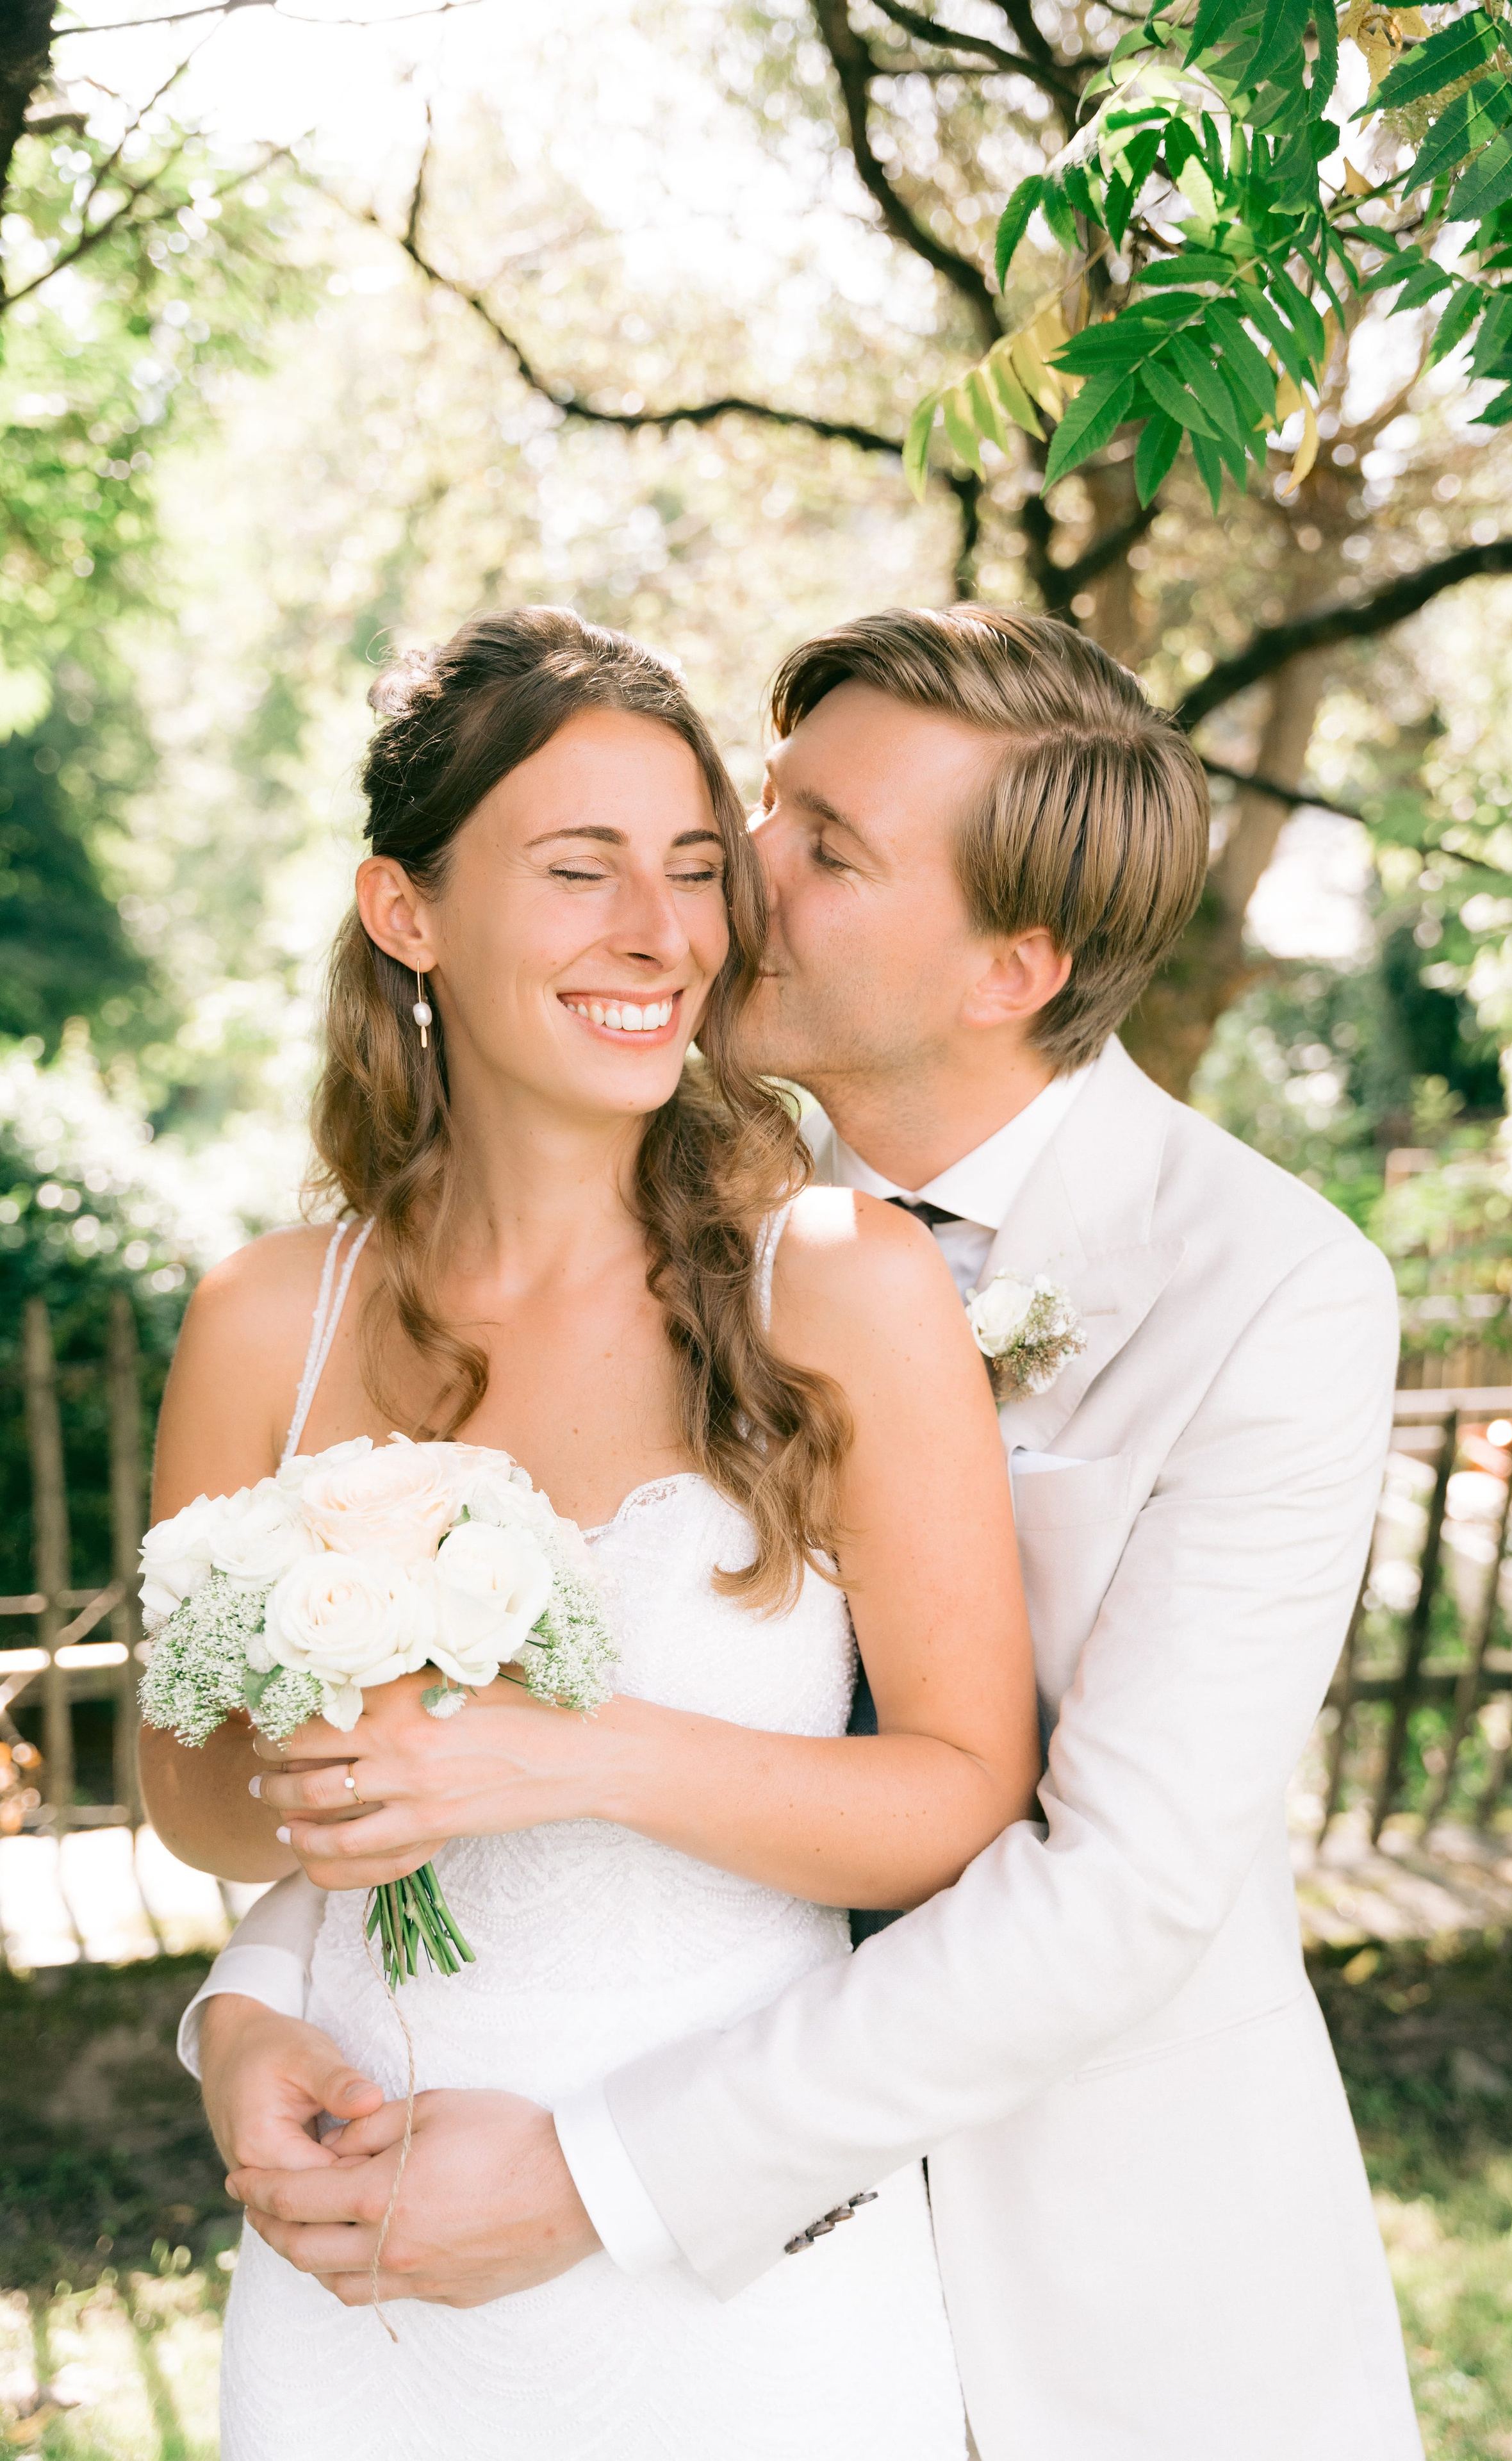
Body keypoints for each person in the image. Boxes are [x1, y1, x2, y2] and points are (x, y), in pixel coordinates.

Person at [172, 606, 1424, 2461]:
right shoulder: (679, 1196)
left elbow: (1116, 1887)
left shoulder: (1269, 1288)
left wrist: (599, 2177)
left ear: (1015, 963)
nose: (728, 886)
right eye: (765, 806)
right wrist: (256, 1997)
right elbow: (412, 1735)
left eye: (816, 847)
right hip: (491, 2241)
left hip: (1077, 2258)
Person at [139, 605, 1048, 2461]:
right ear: (410, 912)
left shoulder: (844, 1288)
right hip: (357, 2260)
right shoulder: (266, 1317)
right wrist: (246, 2018)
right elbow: (198, 1798)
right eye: (579, 870)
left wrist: (554, 1755)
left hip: (739, 2275)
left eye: (696, 869)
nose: (663, 934)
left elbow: (965, 1787)